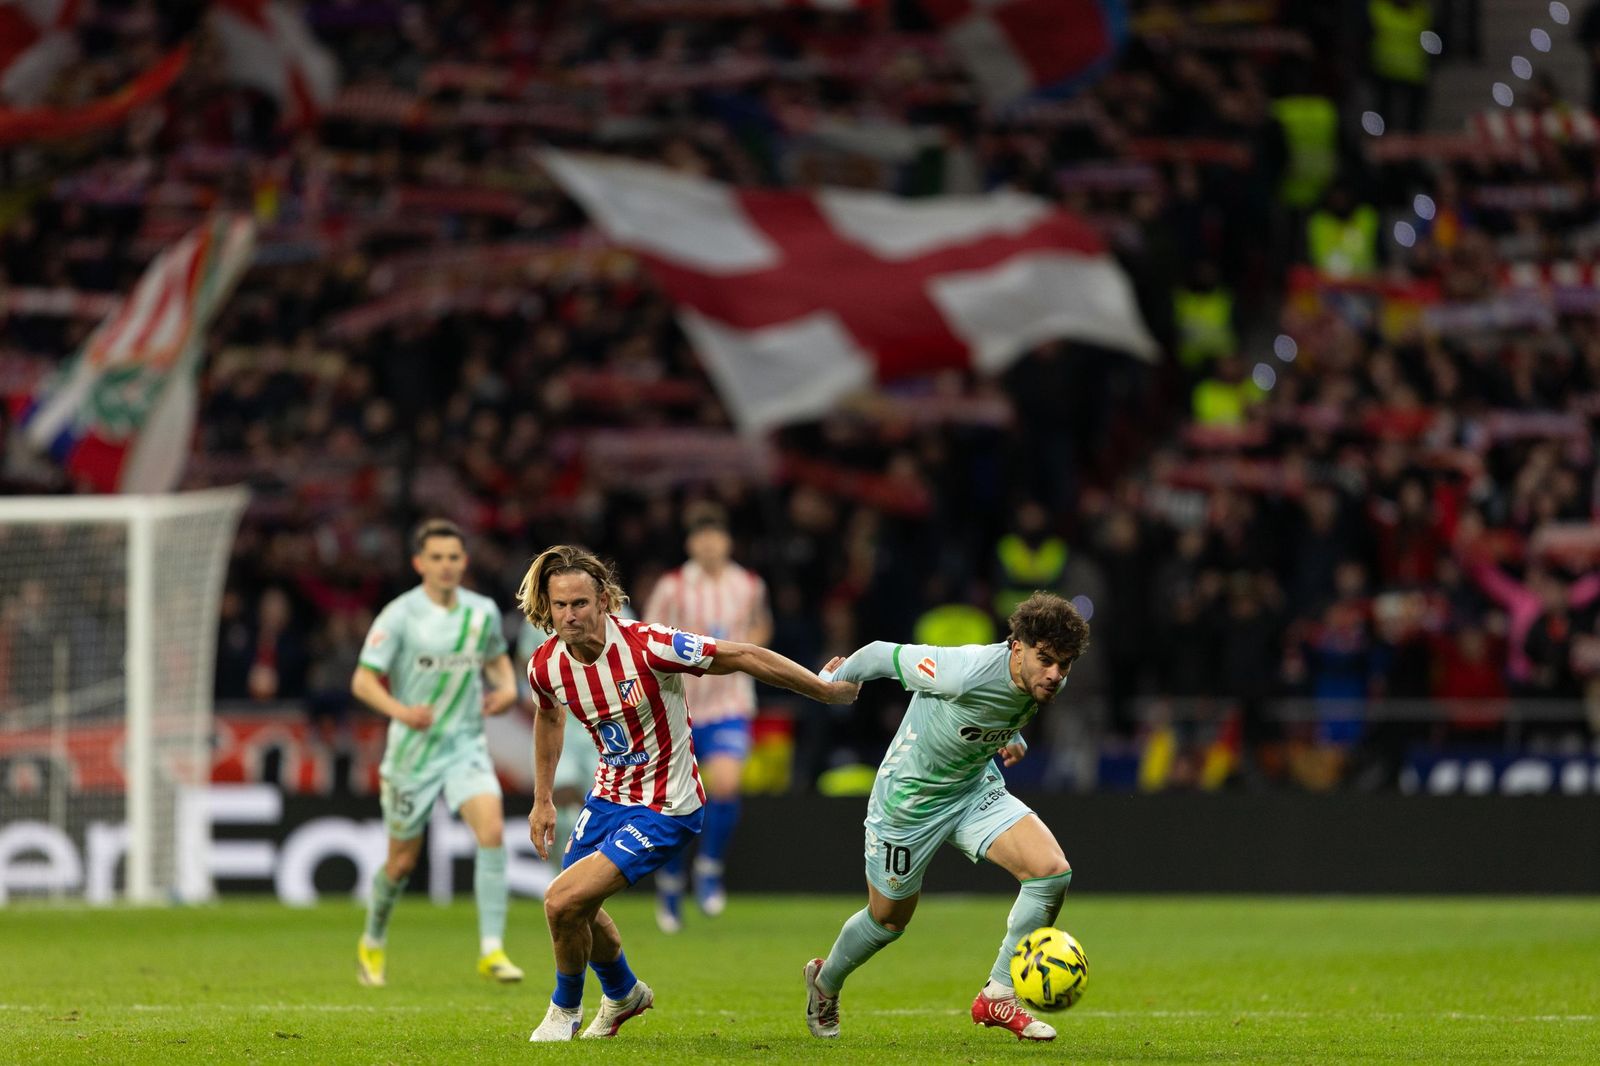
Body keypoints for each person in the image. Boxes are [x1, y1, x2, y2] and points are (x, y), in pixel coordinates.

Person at [520, 544, 859, 1041]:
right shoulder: (545, 666)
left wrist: (822, 690)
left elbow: (740, 654)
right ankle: (624, 995)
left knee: (560, 902)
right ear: (547, 608)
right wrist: (542, 799)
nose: (570, 616)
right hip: (608, 797)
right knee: (578, 907)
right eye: (560, 606)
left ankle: (562, 1009)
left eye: (580, 604)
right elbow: (549, 716)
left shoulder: (648, 645)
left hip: (668, 806)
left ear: (604, 601)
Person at [803, 591, 1091, 1042]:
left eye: (1065, 664)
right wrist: (831, 681)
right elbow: (881, 655)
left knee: (1050, 874)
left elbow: (995, 712)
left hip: (974, 789)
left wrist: (1012, 736)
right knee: (887, 922)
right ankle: (825, 983)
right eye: (1047, 660)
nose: (1055, 675)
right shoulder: (963, 670)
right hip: (910, 803)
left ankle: (999, 993)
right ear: (1017, 647)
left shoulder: (1044, 679)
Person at [351, 519, 523, 987]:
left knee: (491, 831)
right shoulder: (400, 615)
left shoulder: (482, 611)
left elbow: (496, 663)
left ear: (463, 562)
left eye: (453, 558)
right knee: (402, 862)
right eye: (437, 558)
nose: (446, 566)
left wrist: (507, 691)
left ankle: (492, 949)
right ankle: (373, 938)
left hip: (465, 745)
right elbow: (363, 680)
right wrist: (401, 712)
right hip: (414, 752)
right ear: (419, 563)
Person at [641, 502, 772, 932]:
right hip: (682, 705)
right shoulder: (672, 586)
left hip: (731, 702)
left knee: (727, 784)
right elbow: (648, 636)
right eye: (701, 537)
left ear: (727, 541)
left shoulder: (748, 584)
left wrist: (745, 648)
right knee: (680, 800)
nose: (710, 545)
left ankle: (710, 867)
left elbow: (760, 627)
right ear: (690, 544)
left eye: (716, 537)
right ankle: (671, 877)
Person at [516, 617, 601, 885]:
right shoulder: (538, 622)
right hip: (561, 729)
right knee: (562, 811)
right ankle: (563, 881)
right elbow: (524, 664)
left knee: (594, 819)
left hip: (603, 733)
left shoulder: (623, 617)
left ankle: (585, 886)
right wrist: (532, 698)